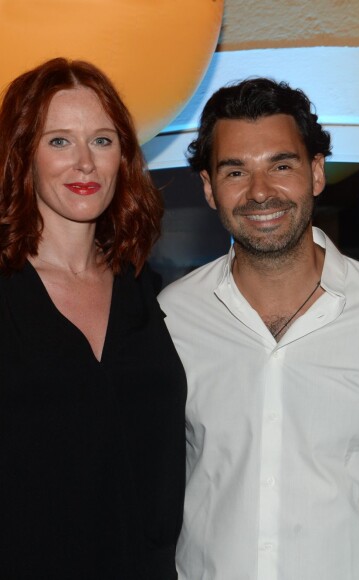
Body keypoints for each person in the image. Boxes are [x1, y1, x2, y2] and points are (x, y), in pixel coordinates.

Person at [158, 78, 359, 580]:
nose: (261, 192)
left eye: (281, 165)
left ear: (316, 173)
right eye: (236, 171)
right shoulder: (173, 317)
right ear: (210, 188)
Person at [0, 58, 187, 579]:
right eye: (59, 141)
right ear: (23, 155)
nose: (84, 162)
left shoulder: (145, 292)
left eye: (102, 141)